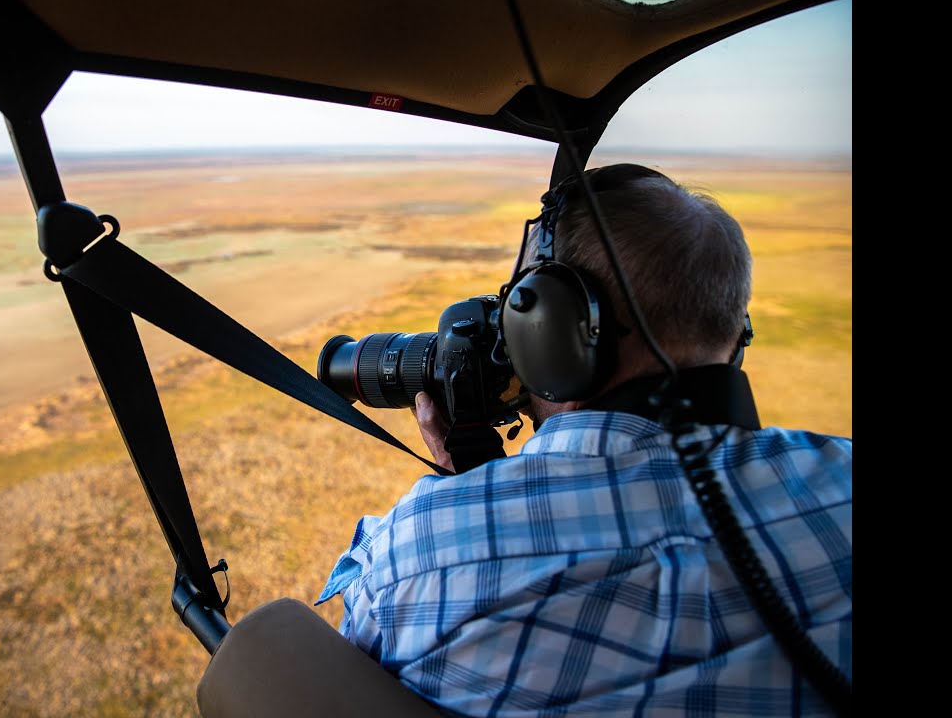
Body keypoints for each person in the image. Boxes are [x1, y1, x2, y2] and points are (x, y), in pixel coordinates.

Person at [315, 164, 852, 716]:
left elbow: (348, 660)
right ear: (736, 334)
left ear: (549, 328)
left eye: (513, 319)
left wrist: (466, 495)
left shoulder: (420, 549)